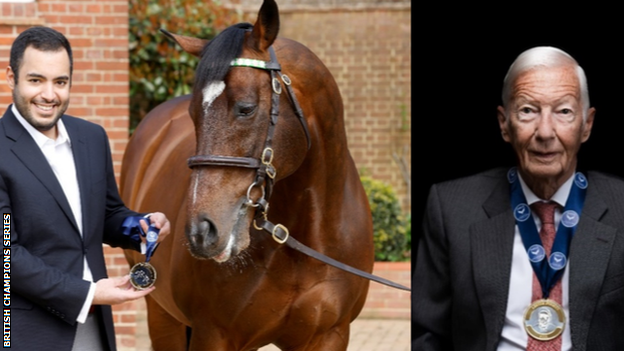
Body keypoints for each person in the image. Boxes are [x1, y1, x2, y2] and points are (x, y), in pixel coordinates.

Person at [412, 46, 624, 351]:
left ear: (586, 125)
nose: (545, 131)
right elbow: (425, 334)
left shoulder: (621, 207)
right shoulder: (451, 207)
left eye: (563, 111)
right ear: (504, 123)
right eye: (528, 110)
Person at [0, 26, 171, 350]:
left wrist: (140, 226)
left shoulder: (91, 138)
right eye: (36, 80)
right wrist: (90, 292)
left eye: (60, 82)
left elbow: (106, 214)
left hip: (93, 328)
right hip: (21, 332)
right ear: (12, 77)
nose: (49, 95)